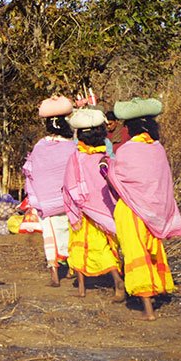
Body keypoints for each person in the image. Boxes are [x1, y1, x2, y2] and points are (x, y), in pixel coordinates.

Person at [104, 98, 181, 320]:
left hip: (130, 211)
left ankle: (147, 309)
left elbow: (115, 179)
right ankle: (156, 291)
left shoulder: (127, 150)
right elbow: (162, 181)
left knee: (135, 254)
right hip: (153, 212)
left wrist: (106, 167)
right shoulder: (157, 148)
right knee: (152, 252)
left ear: (130, 128)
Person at [63, 109, 125, 302]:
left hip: (83, 212)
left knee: (78, 247)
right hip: (105, 211)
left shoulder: (76, 157)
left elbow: (69, 185)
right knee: (106, 247)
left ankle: (82, 288)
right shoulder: (107, 157)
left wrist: (75, 206)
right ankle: (117, 282)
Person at [22, 96, 77, 286]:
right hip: (68, 201)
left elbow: (31, 172)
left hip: (47, 201)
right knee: (70, 232)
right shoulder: (73, 146)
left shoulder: (40, 146)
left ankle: (54, 272)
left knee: (51, 235)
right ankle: (72, 267)